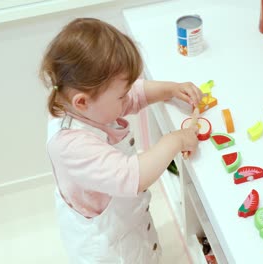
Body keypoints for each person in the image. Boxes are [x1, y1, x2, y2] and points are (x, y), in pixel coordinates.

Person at [39, 18, 202, 263]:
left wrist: (170, 89)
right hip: (108, 248)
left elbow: (133, 94)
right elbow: (129, 175)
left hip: (126, 221)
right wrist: (175, 140)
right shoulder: (70, 146)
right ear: (82, 102)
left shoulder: (87, 105)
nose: (127, 99)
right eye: (121, 95)